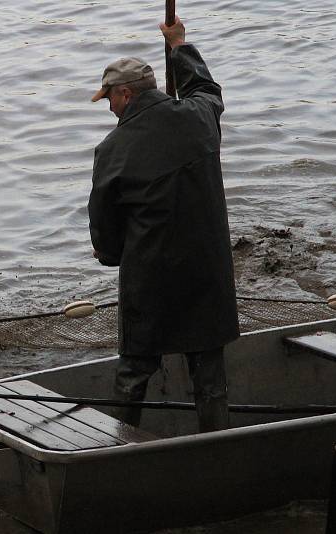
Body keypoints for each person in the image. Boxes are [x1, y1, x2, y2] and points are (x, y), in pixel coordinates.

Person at [87, 17, 239, 432]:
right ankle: (217, 449)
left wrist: (111, 256)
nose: (110, 107)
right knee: (209, 376)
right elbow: (207, 89)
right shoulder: (199, 118)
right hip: (207, 273)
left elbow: (104, 224)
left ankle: (116, 452)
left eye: (110, 99)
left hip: (149, 277)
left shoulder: (113, 149)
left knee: (134, 370)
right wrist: (180, 46)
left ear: (125, 93)